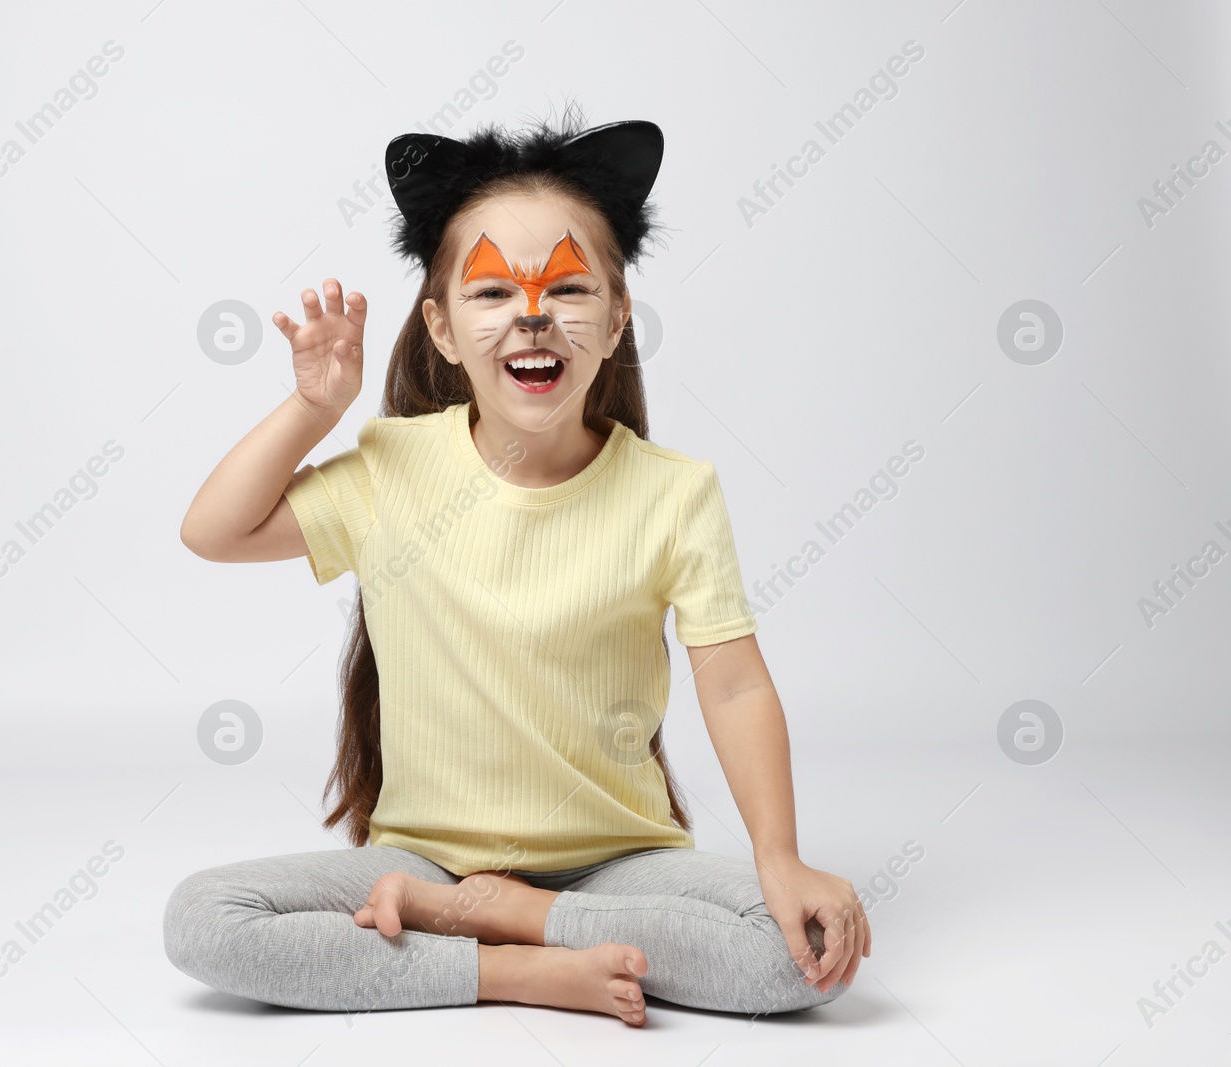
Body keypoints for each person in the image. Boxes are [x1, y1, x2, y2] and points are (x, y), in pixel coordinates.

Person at [169, 108, 870, 1026]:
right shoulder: (392, 465)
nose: (532, 314)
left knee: (799, 959)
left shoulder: (674, 492)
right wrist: (313, 410)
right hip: (424, 863)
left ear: (618, 320)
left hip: (616, 860)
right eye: (492, 294)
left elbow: (733, 684)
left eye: (570, 290)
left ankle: (513, 924)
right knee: (205, 919)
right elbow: (212, 530)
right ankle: (518, 969)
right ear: (443, 329)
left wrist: (779, 858)